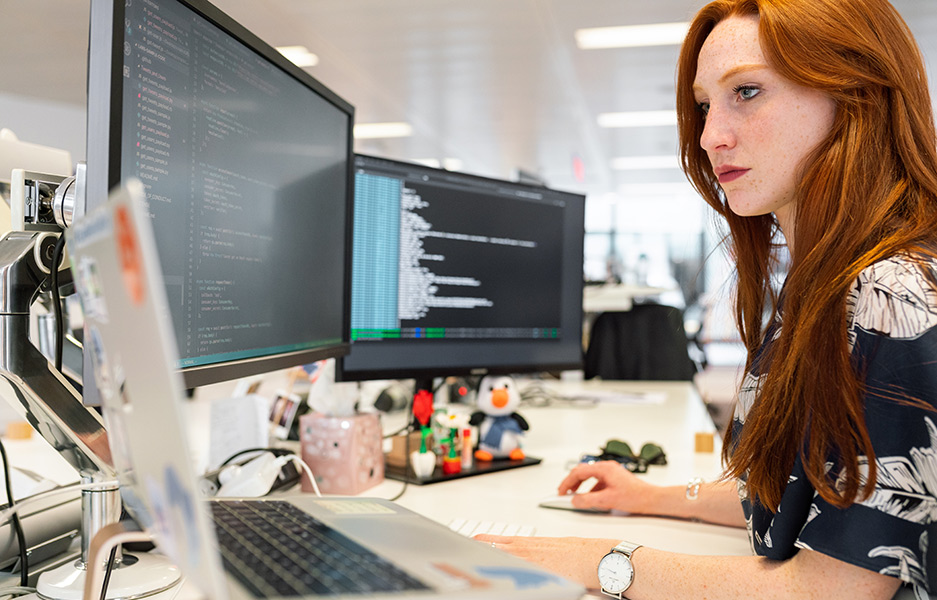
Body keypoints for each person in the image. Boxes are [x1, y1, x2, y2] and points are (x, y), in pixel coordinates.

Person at [477, 0, 937, 598]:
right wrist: (652, 498)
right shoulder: (825, 284)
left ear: (856, 96)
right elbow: (808, 494)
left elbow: (833, 588)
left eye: (746, 91)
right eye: (703, 104)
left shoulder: (892, 294)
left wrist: (601, 562)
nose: (710, 135)